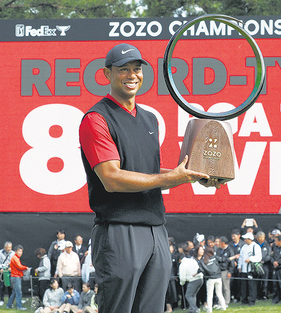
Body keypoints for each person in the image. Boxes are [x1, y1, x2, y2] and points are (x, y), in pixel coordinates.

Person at [79, 43, 216, 313]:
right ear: (107, 74)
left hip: (156, 230)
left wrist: (191, 176)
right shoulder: (96, 119)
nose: (132, 75)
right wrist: (171, 179)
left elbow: (151, 172)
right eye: (124, 69)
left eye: (137, 69)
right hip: (118, 231)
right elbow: (112, 178)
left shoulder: (150, 118)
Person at [198, 246, 227, 313]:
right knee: (219, 293)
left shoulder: (203, 260)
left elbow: (201, 269)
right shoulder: (215, 258)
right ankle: (223, 307)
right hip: (218, 277)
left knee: (209, 295)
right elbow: (222, 261)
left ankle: (209, 310)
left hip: (210, 279)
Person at [237, 232, 262, 306]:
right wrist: (239, 266)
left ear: (250, 239)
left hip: (252, 269)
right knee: (244, 286)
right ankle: (244, 300)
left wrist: (250, 259)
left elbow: (258, 257)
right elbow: (241, 257)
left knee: (252, 286)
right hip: (244, 270)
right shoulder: (243, 247)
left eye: (246, 239)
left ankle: (252, 301)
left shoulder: (256, 246)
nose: (245, 240)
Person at [179, 244, 204, 313]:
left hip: (193, 280)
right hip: (200, 279)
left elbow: (182, 276)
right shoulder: (192, 260)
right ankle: (191, 310)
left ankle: (195, 309)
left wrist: (182, 283)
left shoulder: (182, 264)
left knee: (188, 295)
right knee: (193, 295)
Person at [7, 245, 29, 310]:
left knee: (14, 292)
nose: (20, 253)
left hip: (15, 277)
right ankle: (19, 306)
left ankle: (9, 305)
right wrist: (26, 267)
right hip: (16, 277)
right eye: (19, 251)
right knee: (18, 292)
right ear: (15, 251)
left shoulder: (16, 258)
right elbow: (19, 267)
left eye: (21, 251)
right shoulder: (15, 258)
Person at [216, 236, 236, 306]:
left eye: (219, 242)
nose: (218, 244)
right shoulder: (218, 250)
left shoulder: (230, 250)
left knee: (226, 288)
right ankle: (220, 302)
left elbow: (232, 263)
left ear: (223, 243)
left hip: (225, 270)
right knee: (219, 288)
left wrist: (230, 271)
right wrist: (225, 259)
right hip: (218, 270)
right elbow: (217, 259)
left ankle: (226, 302)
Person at [0, 241, 14, 306]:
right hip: (3, 272)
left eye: (10, 247)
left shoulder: (13, 253)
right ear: (4, 247)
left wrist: (11, 267)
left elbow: (15, 262)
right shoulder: (0, 252)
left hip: (10, 272)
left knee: (10, 287)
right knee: (2, 286)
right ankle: (1, 300)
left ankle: (10, 301)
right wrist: (0, 268)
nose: (9, 249)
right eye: (8, 247)